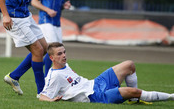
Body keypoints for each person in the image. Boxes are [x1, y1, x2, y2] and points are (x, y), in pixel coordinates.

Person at [39, 42, 174, 104]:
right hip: (95, 96)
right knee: (133, 91)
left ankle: (134, 102)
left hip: (96, 83)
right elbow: (42, 96)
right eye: (59, 54)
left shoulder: (64, 65)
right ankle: (170, 97)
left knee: (129, 65)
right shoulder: (54, 75)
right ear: (51, 58)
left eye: (64, 52)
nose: (64, 55)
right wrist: (51, 100)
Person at [31, 0, 71, 77]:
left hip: (57, 24)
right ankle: (47, 77)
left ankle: (38, 68)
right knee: (54, 49)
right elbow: (34, 1)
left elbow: (59, 7)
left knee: (58, 51)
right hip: (46, 21)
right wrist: (47, 10)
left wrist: (64, 5)